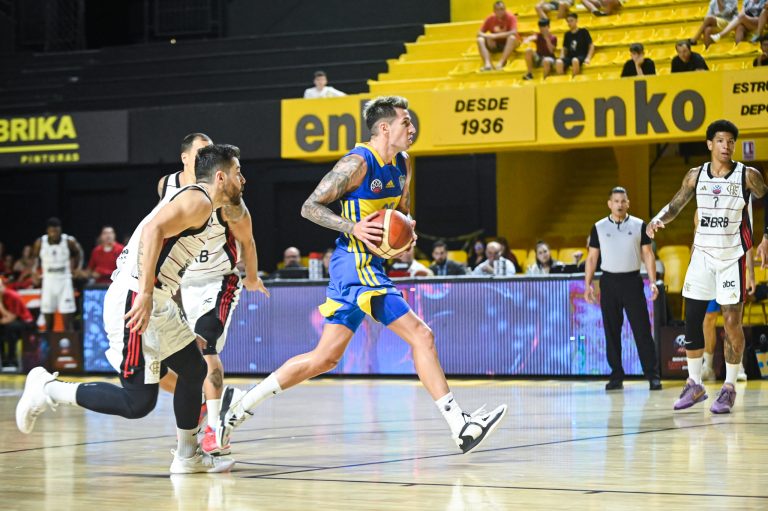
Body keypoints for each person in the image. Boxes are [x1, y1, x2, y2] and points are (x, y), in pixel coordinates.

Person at [215, 96, 507, 455]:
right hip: (354, 263)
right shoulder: (357, 163)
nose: (412, 129)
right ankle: (459, 425)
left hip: (368, 265)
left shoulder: (403, 163)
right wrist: (352, 227)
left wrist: (407, 233)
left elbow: (402, 214)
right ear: (384, 128)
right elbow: (309, 207)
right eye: (405, 122)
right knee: (422, 335)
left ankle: (239, 406)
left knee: (324, 358)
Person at [16, 144, 246, 475]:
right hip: (136, 298)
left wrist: (163, 301)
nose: (243, 179)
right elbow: (153, 230)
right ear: (220, 177)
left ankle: (187, 457)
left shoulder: (204, 206)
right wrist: (146, 292)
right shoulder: (198, 200)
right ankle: (47, 389)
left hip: (157, 300)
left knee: (194, 370)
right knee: (138, 402)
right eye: (238, 172)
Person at [157, 135, 269, 456]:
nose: (205, 155)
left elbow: (247, 241)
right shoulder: (167, 186)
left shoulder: (229, 203)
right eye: (199, 151)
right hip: (180, 281)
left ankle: (215, 426)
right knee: (157, 363)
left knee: (206, 346)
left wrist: (251, 277)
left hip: (218, 279)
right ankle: (211, 401)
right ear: (185, 158)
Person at [647, 119, 768, 414]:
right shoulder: (695, 175)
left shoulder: (747, 175)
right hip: (702, 255)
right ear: (710, 144)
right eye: (721, 141)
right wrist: (658, 219)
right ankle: (695, 383)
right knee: (693, 320)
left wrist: (766, 236)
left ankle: (728, 387)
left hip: (732, 258)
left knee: (731, 322)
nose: (726, 146)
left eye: (731, 141)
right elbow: (677, 204)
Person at [584, 187, 662, 391]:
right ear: (609, 204)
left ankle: (652, 375)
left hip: (632, 282)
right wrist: (587, 284)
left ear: (628, 203)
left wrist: (653, 282)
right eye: (616, 201)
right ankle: (616, 375)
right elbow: (591, 258)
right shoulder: (598, 227)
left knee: (642, 330)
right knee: (611, 331)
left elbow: (648, 255)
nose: (619, 204)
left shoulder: (639, 225)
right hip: (609, 282)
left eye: (623, 201)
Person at [31, 218, 82, 332]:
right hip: (48, 280)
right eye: (52, 231)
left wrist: (77, 268)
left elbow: (79, 253)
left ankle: (69, 342)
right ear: (48, 231)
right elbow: (35, 258)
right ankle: (49, 342)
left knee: (67, 320)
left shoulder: (68, 241)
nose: (54, 234)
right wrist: (34, 270)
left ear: (60, 230)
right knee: (48, 317)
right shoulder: (40, 242)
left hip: (64, 280)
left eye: (57, 231)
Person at [701, 300, 749, 381]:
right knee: (708, 318)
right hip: (711, 291)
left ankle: (737, 366)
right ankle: (707, 367)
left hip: (730, 291)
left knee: (733, 319)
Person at [0, 279, 34, 369]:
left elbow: (11, 318)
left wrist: (1, 307)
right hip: (9, 322)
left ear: (3, 286)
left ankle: (11, 361)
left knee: (10, 329)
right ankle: (3, 360)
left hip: (25, 322)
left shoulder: (12, 296)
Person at [476, 1, 520, 71]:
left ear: (505, 9)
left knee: (512, 38)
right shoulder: (490, 18)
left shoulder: (511, 17)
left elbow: (513, 32)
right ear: (494, 11)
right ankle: (487, 64)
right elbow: (479, 33)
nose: (500, 11)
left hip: (510, 43)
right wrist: (488, 36)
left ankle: (501, 63)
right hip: (496, 44)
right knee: (480, 40)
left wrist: (495, 36)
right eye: (498, 10)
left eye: (502, 9)